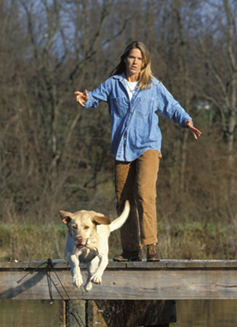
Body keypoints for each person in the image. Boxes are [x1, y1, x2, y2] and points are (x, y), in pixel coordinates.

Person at [74, 40, 202, 262]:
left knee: (144, 193)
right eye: (132, 57)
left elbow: (171, 106)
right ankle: (131, 250)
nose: (135, 61)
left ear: (145, 62)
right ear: (124, 59)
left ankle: (151, 246)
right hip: (122, 148)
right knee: (123, 200)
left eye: (140, 58)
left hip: (148, 146)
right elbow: (94, 96)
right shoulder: (114, 84)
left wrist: (186, 121)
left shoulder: (153, 86)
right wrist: (86, 99)